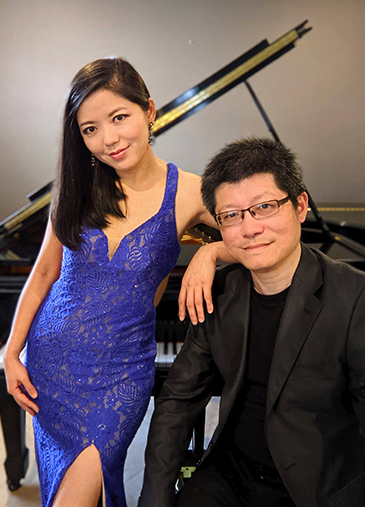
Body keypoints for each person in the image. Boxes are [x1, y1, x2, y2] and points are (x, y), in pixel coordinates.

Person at [3, 57, 232, 507]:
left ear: (149, 111)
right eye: (90, 129)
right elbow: (45, 274)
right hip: (51, 366)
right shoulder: (75, 187)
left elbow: (257, 236)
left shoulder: (189, 191)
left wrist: (211, 250)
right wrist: (12, 352)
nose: (108, 139)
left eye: (119, 117)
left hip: (120, 374)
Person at [138, 137, 365, 507]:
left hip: (315, 489)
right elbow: (178, 399)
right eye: (231, 216)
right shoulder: (221, 291)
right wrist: (155, 498)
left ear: (300, 206)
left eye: (264, 207)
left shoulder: (355, 298)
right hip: (230, 475)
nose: (249, 228)